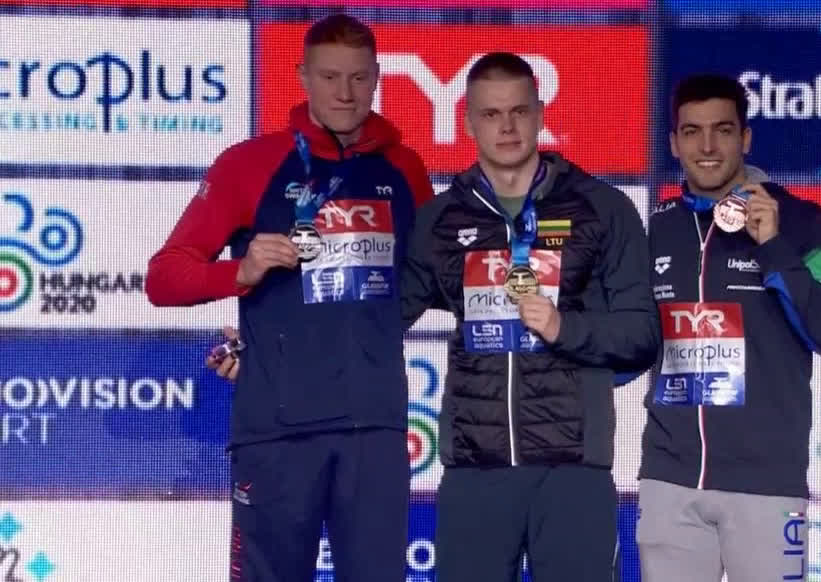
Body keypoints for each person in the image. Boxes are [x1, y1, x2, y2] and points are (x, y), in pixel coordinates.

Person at [145, 14, 433, 582]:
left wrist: (364, 331)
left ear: (377, 77)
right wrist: (243, 271)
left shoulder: (404, 167)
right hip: (277, 434)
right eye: (329, 77)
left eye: (359, 78)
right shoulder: (249, 164)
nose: (345, 93)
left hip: (372, 430)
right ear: (302, 77)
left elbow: (428, 278)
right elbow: (164, 278)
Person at [399, 52, 659, 581]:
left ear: (540, 114)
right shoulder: (440, 220)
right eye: (491, 114)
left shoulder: (603, 209)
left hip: (572, 469)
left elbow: (641, 334)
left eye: (519, 111)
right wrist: (267, 346)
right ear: (467, 122)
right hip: (476, 468)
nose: (507, 126)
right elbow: (376, 320)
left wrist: (565, 328)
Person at [636, 74, 821, 582]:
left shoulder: (805, 221)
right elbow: (630, 342)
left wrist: (774, 246)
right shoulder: (657, 227)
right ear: (674, 143)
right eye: (692, 132)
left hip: (767, 484)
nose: (707, 147)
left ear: (746, 138)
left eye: (723, 130)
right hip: (669, 480)